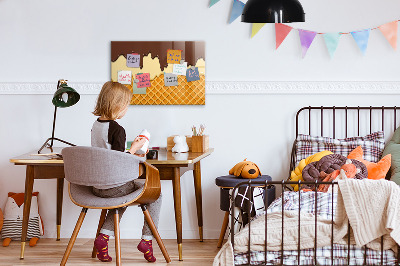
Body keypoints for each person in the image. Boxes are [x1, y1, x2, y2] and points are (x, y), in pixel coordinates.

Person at [91, 81, 161, 263]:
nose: (127, 109)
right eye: (127, 104)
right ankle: (147, 240)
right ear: (118, 105)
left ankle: (103, 238)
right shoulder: (117, 129)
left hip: (97, 186)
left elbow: (108, 154)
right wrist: (135, 149)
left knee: (122, 198)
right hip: (114, 186)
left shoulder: (96, 125)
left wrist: (130, 149)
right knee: (156, 194)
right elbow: (118, 161)